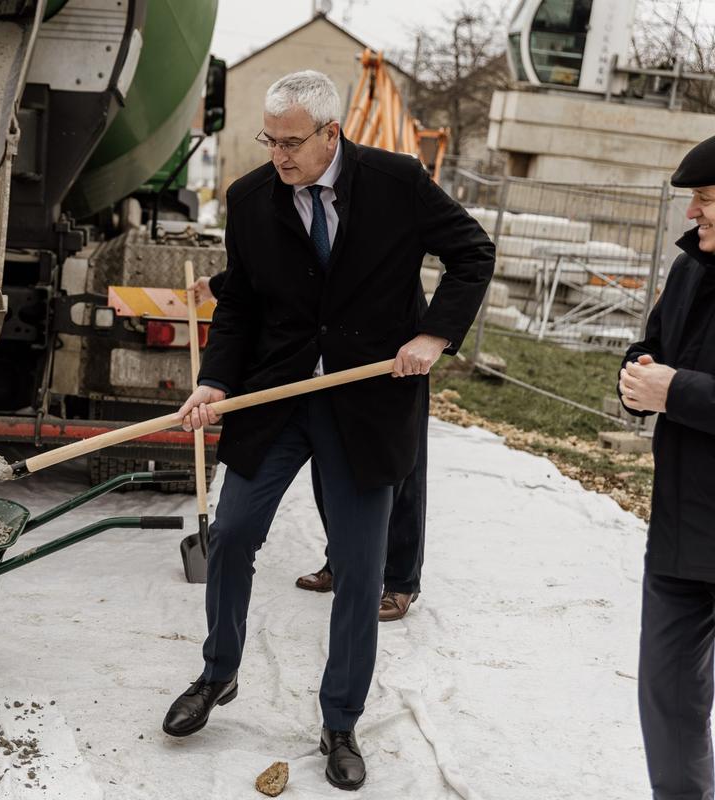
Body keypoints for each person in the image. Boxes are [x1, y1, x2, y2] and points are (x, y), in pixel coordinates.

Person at [162, 70, 493, 791]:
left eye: (291, 143)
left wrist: (435, 334)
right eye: (269, 140)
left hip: (365, 401)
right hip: (276, 396)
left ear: (331, 134)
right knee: (233, 534)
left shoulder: (398, 183)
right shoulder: (252, 199)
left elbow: (473, 252)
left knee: (360, 568)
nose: (278, 156)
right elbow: (241, 305)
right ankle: (219, 674)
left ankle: (340, 720)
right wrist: (217, 380)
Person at [194, 273, 426, 621]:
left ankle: (400, 581)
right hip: (326, 357)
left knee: (398, 475)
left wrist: (434, 336)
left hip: (390, 361)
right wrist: (218, 284)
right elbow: (296, 259)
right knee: (333, 470)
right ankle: (339, 562)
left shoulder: (386, 220)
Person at [618, 134, 715, 800]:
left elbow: (680, 384)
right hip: (684, 532)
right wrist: (638, 373)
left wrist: (675, 391)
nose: (692, 214)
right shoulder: (690, 270)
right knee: (669, 700)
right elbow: (655, 347)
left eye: (705, 199)